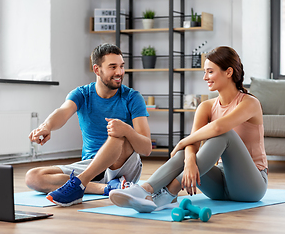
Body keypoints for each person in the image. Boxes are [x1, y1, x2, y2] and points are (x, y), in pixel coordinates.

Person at [109, 46, 268, 213]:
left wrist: (183, 141)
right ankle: (145, 191)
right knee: (183, 153)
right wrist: (190, 161)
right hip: (219, 187)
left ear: (228, 72)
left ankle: (168, 193)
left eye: (210, 72)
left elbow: (218, 127)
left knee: (224, 134)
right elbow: (193, 143)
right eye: (205, 72)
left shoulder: (250, 103)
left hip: (251, 186)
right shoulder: (205, 106)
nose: (205, 77)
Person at [26, 43, 152, 207]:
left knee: (117, 133)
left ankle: (79, 184)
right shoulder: (82, 94)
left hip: (123, 166)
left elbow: (146, 148)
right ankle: (107, 188)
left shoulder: (132, 97)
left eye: (121, 66)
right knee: (33, 177)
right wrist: (46, 126)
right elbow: (63, 112)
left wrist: (126, 130)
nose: (119, 72)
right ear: (97, 69)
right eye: (112, 67)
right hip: (91, 166)